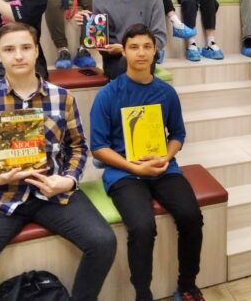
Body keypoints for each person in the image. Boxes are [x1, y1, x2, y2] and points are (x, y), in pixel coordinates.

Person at [0, 22, 116, 301]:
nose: (18, 55)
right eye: (9, 49)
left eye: (25, 48)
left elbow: (78, 147)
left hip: (53, 193)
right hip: (0, 197)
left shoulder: (62, 98)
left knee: (103, 242)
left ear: (36, 52)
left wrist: (68, 180)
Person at [90, 23, 204, 301]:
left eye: (146, 47)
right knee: (142, 227)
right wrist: (134, 167)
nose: (140, 53)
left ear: (155, 51)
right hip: (124, 173)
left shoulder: (166, 93)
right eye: (134, 47)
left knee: (191, 216)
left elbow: (177, 135)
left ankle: (187, 285)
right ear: (124, 52)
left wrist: (166, 157)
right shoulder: (107, 94)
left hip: (162, 168)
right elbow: (98, 148)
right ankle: (143, 294)